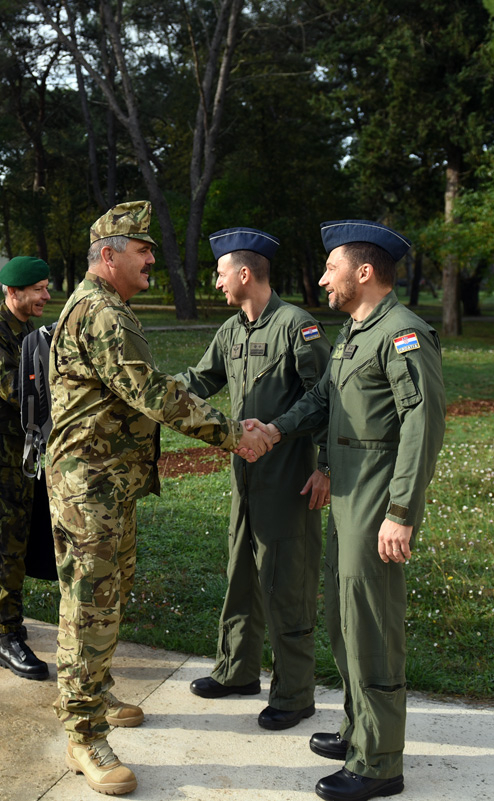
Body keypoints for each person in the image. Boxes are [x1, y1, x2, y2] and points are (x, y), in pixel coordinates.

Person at [48, 201, 274, 796]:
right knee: (89, 607)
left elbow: (143, 390)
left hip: (104, 485)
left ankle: (94, 693)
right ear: (108, 255)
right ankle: (83, 735)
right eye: (141, 249)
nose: (151, 257)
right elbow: (153, 395)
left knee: (105, 596)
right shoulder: (104, 313)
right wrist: (234, 434)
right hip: (89, 488)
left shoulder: (104, 307)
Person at [261, 220, 446, 801]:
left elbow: (422, 425)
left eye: (330, 268)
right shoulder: (355, 332)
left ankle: (379, 763)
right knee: (344, 623)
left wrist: (401, 511)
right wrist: (275, 429)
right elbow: (323, 400)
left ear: (363, 272)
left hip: (375, 497)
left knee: (372, 628)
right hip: (346, 495)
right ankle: (357, 729)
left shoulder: (403, 334)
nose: (323, 279)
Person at [175, 227, 332, 731]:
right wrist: (148, 389)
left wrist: (325, 466)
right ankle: (237, 671)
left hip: (289, 480)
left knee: (287, 583)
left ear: (244, 274)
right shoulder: (231, 330)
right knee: (241, 574)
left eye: (221, 274)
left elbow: (326, 399)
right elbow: (202, 379)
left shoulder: (297, 326)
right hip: (244, 477)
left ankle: (295, 694)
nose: (217, 282)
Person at [0, 256, 53, 680]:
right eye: (38, 289)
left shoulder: (26, 331)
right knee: (8, 544)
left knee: (2, 536)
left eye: (46, 288)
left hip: (20, 451)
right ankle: (9, 636)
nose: (46, 295)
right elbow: (17, 391)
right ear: (14, 292)